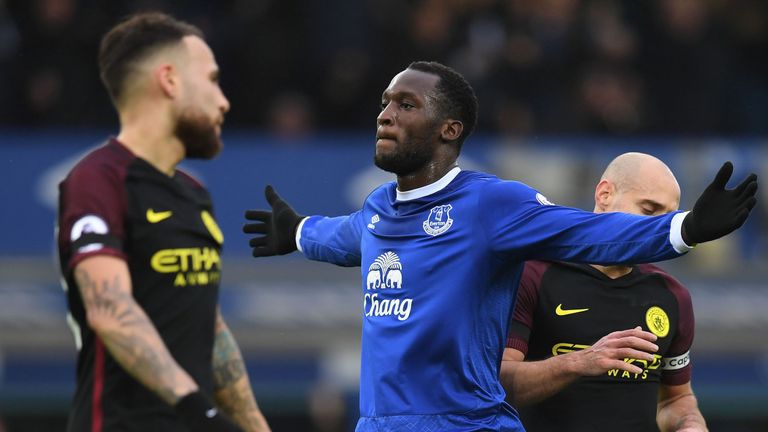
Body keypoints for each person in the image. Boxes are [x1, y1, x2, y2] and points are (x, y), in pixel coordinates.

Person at [242, 61, 757, 431]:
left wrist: (681, 230)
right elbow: (342, 236)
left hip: (466, 423)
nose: (386, 115)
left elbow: (586, 232)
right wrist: (296, 231)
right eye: (384, 103)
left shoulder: (490, 204)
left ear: (450, 129)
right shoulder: (379, 211)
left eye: (405, 104)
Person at [56, 12, 270, 432]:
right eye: (211, 79)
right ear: (169, 80)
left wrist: (254, 425)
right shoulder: (98, 179)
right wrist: (197, 408)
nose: (223, 100)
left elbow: (209, 327)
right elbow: (110, 310)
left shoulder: (192, 192)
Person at [501, 152, 707, 431]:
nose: (659, 226)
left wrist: (689, 422)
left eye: (668, 218)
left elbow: (675, 400)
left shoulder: (672, 295)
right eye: (648, 210)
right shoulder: (532, 274)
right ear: (604, 194)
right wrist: (578, 362)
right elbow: (496, 385)